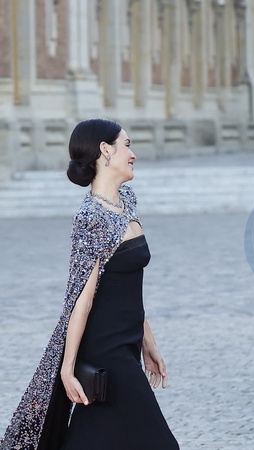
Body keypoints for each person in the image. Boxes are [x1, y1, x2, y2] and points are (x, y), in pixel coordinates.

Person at [1, 119, 179, 449]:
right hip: (107, 350)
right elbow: (80, 299)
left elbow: (126, 287)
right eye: (127, 145)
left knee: (96, 437)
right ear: (105, 150)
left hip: (127, 344)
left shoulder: (126, 202)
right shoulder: (91, 216)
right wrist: (67, 369)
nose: (133, 154)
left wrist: (148, 342)